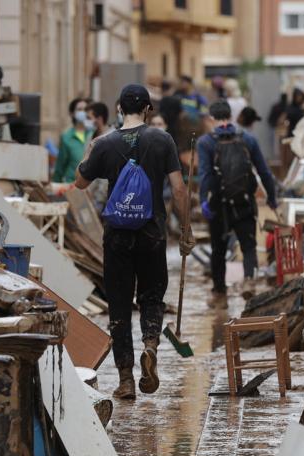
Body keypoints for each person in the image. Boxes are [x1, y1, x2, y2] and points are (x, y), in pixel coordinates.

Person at [76, 84, 194, 400]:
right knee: (152, 297)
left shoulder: (105, 143)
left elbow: (80, 182)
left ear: (118, 108)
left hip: (117, 236)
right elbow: (179, 190)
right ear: (147, 109)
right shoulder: (162, 140)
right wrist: (186, 228)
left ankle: (126, 380)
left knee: (118, 306)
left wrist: (89, 151)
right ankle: (151, 345)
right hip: (152, 233)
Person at [197, 100, 278, 296]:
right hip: (244, 202)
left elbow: (205, 175)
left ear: (211, 119)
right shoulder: (248, 139)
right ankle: (249, 281)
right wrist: (271, 198)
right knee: (248, 246)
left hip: (219, 205)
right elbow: (264, 172)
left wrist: (203, 201)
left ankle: (219, 292)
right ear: (231, 117)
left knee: (219, 249)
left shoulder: (205, 142)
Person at [53, 98, 91, 183]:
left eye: (85, 109)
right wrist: (55, 184)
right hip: (71, 184)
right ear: (72, 113)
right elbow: (60, 165)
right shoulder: (66, 137)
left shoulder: (93, 134)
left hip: (90, 185)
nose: (83, 112)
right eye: (79, 109)